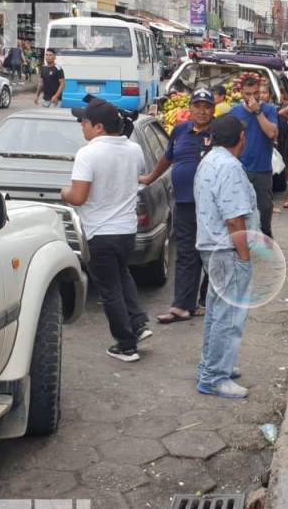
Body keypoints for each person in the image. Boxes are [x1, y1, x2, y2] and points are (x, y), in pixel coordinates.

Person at [62, 98, 151, 362]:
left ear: (98, 126)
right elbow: (136, 176)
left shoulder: (88, 153)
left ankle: (126, 345)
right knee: (122, 276)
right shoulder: (133, 149)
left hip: (99, 232)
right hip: (126, 231)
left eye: (85, 122)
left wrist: (63, 192)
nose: (81, 126)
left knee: (110, 290)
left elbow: (78, 197)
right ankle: (138, 324)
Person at [194, 115, 260, 399]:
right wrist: (244, 257)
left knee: (217, 311)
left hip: (212, 247)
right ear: (240, 138)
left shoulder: (209, 160)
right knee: (229, 315)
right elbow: (234, 219)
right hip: (227, 250)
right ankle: (214, 377)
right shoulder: (229, 166)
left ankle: (213, 366)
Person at [141, 89, 217, 325]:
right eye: (197, 105)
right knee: (186, 255)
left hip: (212, 206)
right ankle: (182, 306)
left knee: (213, 254)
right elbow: (168, 157)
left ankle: (207, 302)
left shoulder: (219, 133)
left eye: (206, 106)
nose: (202, 110)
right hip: (184, 203)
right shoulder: (180, 131)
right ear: (191, 108)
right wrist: (150, 177)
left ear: (213, 110)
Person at [229, 73, 279, 237]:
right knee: (240, 207)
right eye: (248, 94)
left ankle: (265, 233)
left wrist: (258, 112)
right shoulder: (234, 112)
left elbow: (272, 133)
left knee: (264, 207)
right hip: (240, 168)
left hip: (262, 168)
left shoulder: (269, 110)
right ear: (242, 93)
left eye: (255, 93)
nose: (252, 97)